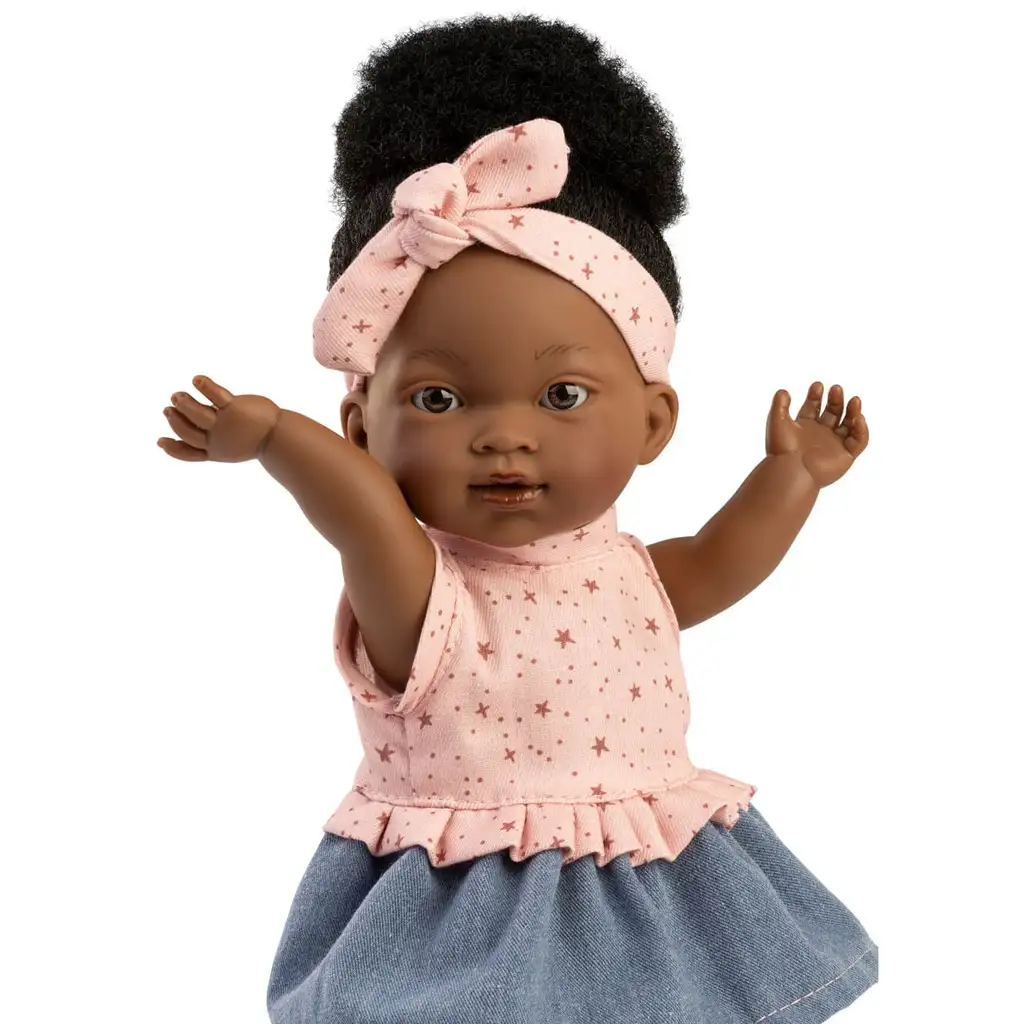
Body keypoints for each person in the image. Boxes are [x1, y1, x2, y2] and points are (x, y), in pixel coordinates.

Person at [157, 14, 878, 1023]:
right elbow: (363, 517)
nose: (505, 437)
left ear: (654, 421)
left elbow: (722, 560)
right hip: (466, 923)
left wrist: (793, 476)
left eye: (562, 396)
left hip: (652, 894)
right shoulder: (421, 597)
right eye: (439, 400)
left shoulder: (628, 573)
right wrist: (276, 436)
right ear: (361, 428)